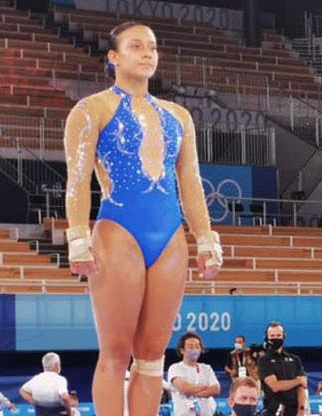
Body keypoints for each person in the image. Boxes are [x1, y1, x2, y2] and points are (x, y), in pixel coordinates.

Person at [63, 22, 222, 416]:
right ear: (113, 57)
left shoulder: (178, 116)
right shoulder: (91, 109)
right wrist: (78, 239)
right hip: (119, 231)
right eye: (137, 46)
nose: (148, 53)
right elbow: (78, 179)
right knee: (115, 354)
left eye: (152, 47)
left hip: (169, 236)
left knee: (151, 357)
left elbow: (190, 182)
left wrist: (206, 239)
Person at [257, 322, 308, 416]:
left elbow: (302, 387)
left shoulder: (295, 359)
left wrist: (301, 410)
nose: (275, 338)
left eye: (278, 335)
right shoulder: (264, 360)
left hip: (294, 410)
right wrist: (297, 381)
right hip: (273, 410)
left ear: (283, 336)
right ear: (266, 337)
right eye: (272, 335)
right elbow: (275, 386)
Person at [167, 332, 221, 416]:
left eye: (197, 346)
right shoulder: (175, 368)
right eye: (190, 347)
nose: (194, 350)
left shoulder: (206, 368)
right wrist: (205, 388)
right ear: (182, 350)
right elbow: (185, 388)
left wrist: (193, 392)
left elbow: (216, 389)